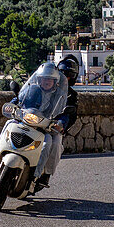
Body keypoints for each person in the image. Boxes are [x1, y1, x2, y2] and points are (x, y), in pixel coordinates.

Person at [34, 55, 79, 191]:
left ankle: (45, 174)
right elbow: (26, 97)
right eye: (63, 73)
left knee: (55, 144)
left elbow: (69, 115)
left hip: (52, 126)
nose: (65, 77)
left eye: (69, 75)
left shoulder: (71, 95)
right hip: (35, 119)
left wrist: (61, 124)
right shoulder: (44, 85)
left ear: (73, 77)